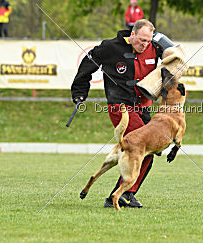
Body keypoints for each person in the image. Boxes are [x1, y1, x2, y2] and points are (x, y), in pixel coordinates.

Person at [71, 19, 165, 208]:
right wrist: (80, 92)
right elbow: (87, 65)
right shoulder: (110, 48)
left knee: (148, 152)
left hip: (143, 107)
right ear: (132, 34)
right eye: (141, 40)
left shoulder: (156, 47)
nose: (144, 45)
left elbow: (175, 61)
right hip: (120, 106)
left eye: (148, 41)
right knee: (141, 146)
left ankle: (126, 194)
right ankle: (121, 195)